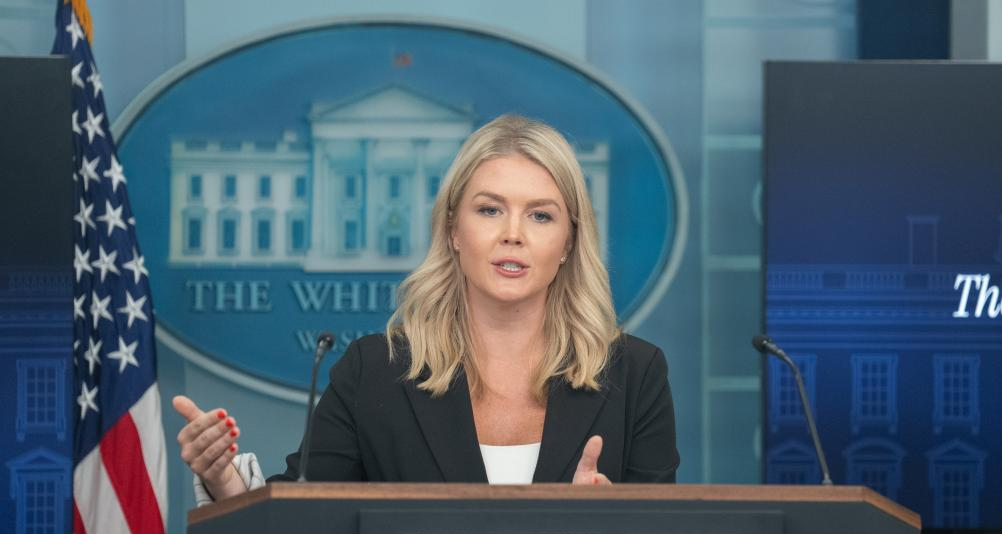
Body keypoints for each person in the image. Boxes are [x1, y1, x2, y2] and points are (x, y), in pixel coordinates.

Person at [174, 114, 679, 503]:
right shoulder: (374, 372)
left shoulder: (635, 375)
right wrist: (223, 480)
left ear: (568, 241)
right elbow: (298, 520)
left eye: (540, 216)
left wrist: (612, 525)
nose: (513, 234)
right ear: (454, 230)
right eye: (489, 209)